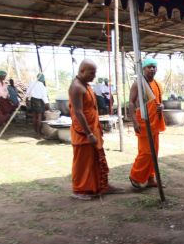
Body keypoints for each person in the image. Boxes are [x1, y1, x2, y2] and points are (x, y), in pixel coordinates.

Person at [68, 60, 123, 199]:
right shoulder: (76, 87)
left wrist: (96, 128)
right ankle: (80, 190)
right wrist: (89, 133)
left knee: (96, 159)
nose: (94, 76)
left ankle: (102, 185)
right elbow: (78, 112)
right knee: (83, 162)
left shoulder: (85, 85)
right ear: (82, 71)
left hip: (93, 128)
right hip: (83, 132)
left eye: (95, 73)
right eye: (92, 73)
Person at [128, 57, 166, 189]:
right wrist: (134, 122)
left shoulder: (158, 84)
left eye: (154, 67)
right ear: (143, 69)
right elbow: (131, 103)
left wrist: (161, 106)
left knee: (154, 152)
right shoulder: (138, 83)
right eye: (149, 67)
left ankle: (150, 178)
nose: (152, 69)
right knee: (145, 152)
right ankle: (135, 176)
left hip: (156, 122)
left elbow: (159, 102)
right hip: (143, 122)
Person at [26, 73, 49, 137]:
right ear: (42, 79)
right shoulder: (42, 86)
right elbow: (44, 97)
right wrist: (47, 104)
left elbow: (28, 93)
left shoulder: (32, 83)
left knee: (34, 117)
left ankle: (36, 131)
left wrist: (27, 100)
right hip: (39, 101)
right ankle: (39, 132)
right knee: (39, 117)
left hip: (32, 100)